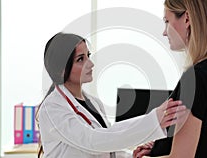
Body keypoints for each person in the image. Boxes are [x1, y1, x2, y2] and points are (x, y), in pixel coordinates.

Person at [36, 33, 187, 158]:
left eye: (88, 55)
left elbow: (108, 144)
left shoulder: (93, 103)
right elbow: (93, 141)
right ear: (61, 70)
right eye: (80, 59)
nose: (91, 64)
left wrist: (131, 155)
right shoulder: (52, 109)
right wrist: (153, 120)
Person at [133, 0, 207, 158]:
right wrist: (160, 146)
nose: (164, 32)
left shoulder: (196, 79)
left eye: (167, 21)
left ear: (187, 19)